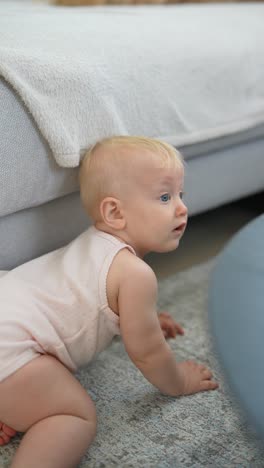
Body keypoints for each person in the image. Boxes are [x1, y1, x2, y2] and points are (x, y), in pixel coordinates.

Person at [0, 136, 218, 467]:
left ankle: (13, 404)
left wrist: (146, 317)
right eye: (164, 197)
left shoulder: (92, 244)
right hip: (10, 346)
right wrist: (180, 381)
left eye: (180, 195)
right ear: (115, 212)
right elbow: (146, 352)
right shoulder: (135, 274)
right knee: (73, 415)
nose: (182, 207)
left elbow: (98, 302)